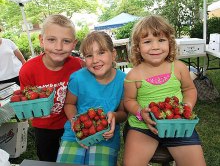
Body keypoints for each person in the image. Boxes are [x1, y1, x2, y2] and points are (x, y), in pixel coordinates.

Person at [123, 15, 206, 166]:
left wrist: (186, 106)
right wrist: (140, 112)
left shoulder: (179, 67)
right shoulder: (133, 75)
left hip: (178, 125)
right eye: (147, 42)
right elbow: (129, 100)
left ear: (170, 43)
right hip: (144, 127)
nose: (155, 46)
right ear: (137, 47)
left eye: (161, 40)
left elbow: (189, 89)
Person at [56, 31, 127, 166]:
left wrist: (114, 115)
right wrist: (74, 121)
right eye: (89, 55)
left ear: (113, 54)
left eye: (101, 52)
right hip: (75, 135)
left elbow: (123, 113)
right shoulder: (78, 78)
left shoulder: (123, 80)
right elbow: (69, 104)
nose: (95, 60)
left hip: (106, 137)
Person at [19, 14, 83, 162]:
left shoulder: (78, 65)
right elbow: (27, 101)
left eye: (66, 41)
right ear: (41, 40)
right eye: (51, 39)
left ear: (74, 44)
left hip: (72, 121)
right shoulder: (28, 70)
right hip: (44, 127)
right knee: (47, 159)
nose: (59, 47)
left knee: (74, 159)